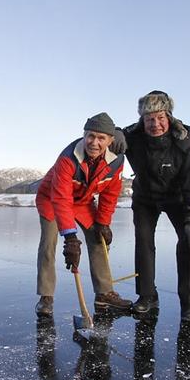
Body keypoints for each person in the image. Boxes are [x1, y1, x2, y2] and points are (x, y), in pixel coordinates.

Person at [111, 91, 190, 321]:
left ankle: (189, 302)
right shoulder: (132, 135)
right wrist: (114, 133)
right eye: (149, 119)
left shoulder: (184, 138)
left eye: (160, 117)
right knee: (144, 242)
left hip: (179, 197)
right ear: (142, 120)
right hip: (145, 198)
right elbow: (107, 133)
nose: (155, 124)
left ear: (169, 116)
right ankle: (147, 296)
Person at [34, 112, 133, 316]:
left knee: (98, 239)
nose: (94, 142)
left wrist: (103, 223)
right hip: (52, 199)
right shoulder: (68, 157)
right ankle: (46, 297)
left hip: (82, 202)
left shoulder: (116, 161)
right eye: (90, 136)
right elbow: (61, 198)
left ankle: (104, 294)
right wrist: (70, 237)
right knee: (48, 243)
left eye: (101, 138)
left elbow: (110, 193)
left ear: (110, 141)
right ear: (84, 135)